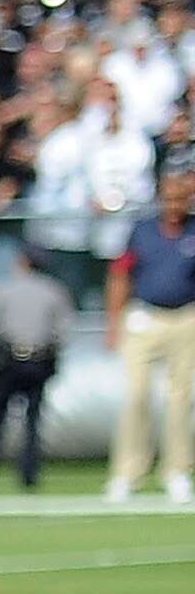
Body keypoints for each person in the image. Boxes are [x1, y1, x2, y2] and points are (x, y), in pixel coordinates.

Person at [104, 160, 195, 502]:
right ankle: (127, 473)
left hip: (185, 317)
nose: (175, 206)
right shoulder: (141, 231)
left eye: (181, 199)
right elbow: (119, 275)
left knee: (180, 400)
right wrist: (112, 323)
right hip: (144, 317)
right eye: (170, 199)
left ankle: (177, 471)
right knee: (136, 396)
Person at [0, 243, 72, 491]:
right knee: (32, 422)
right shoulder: (54, 291)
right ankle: (28, 476)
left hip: (8, 360)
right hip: (39, 360)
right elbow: (62, 332)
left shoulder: (1, 289)